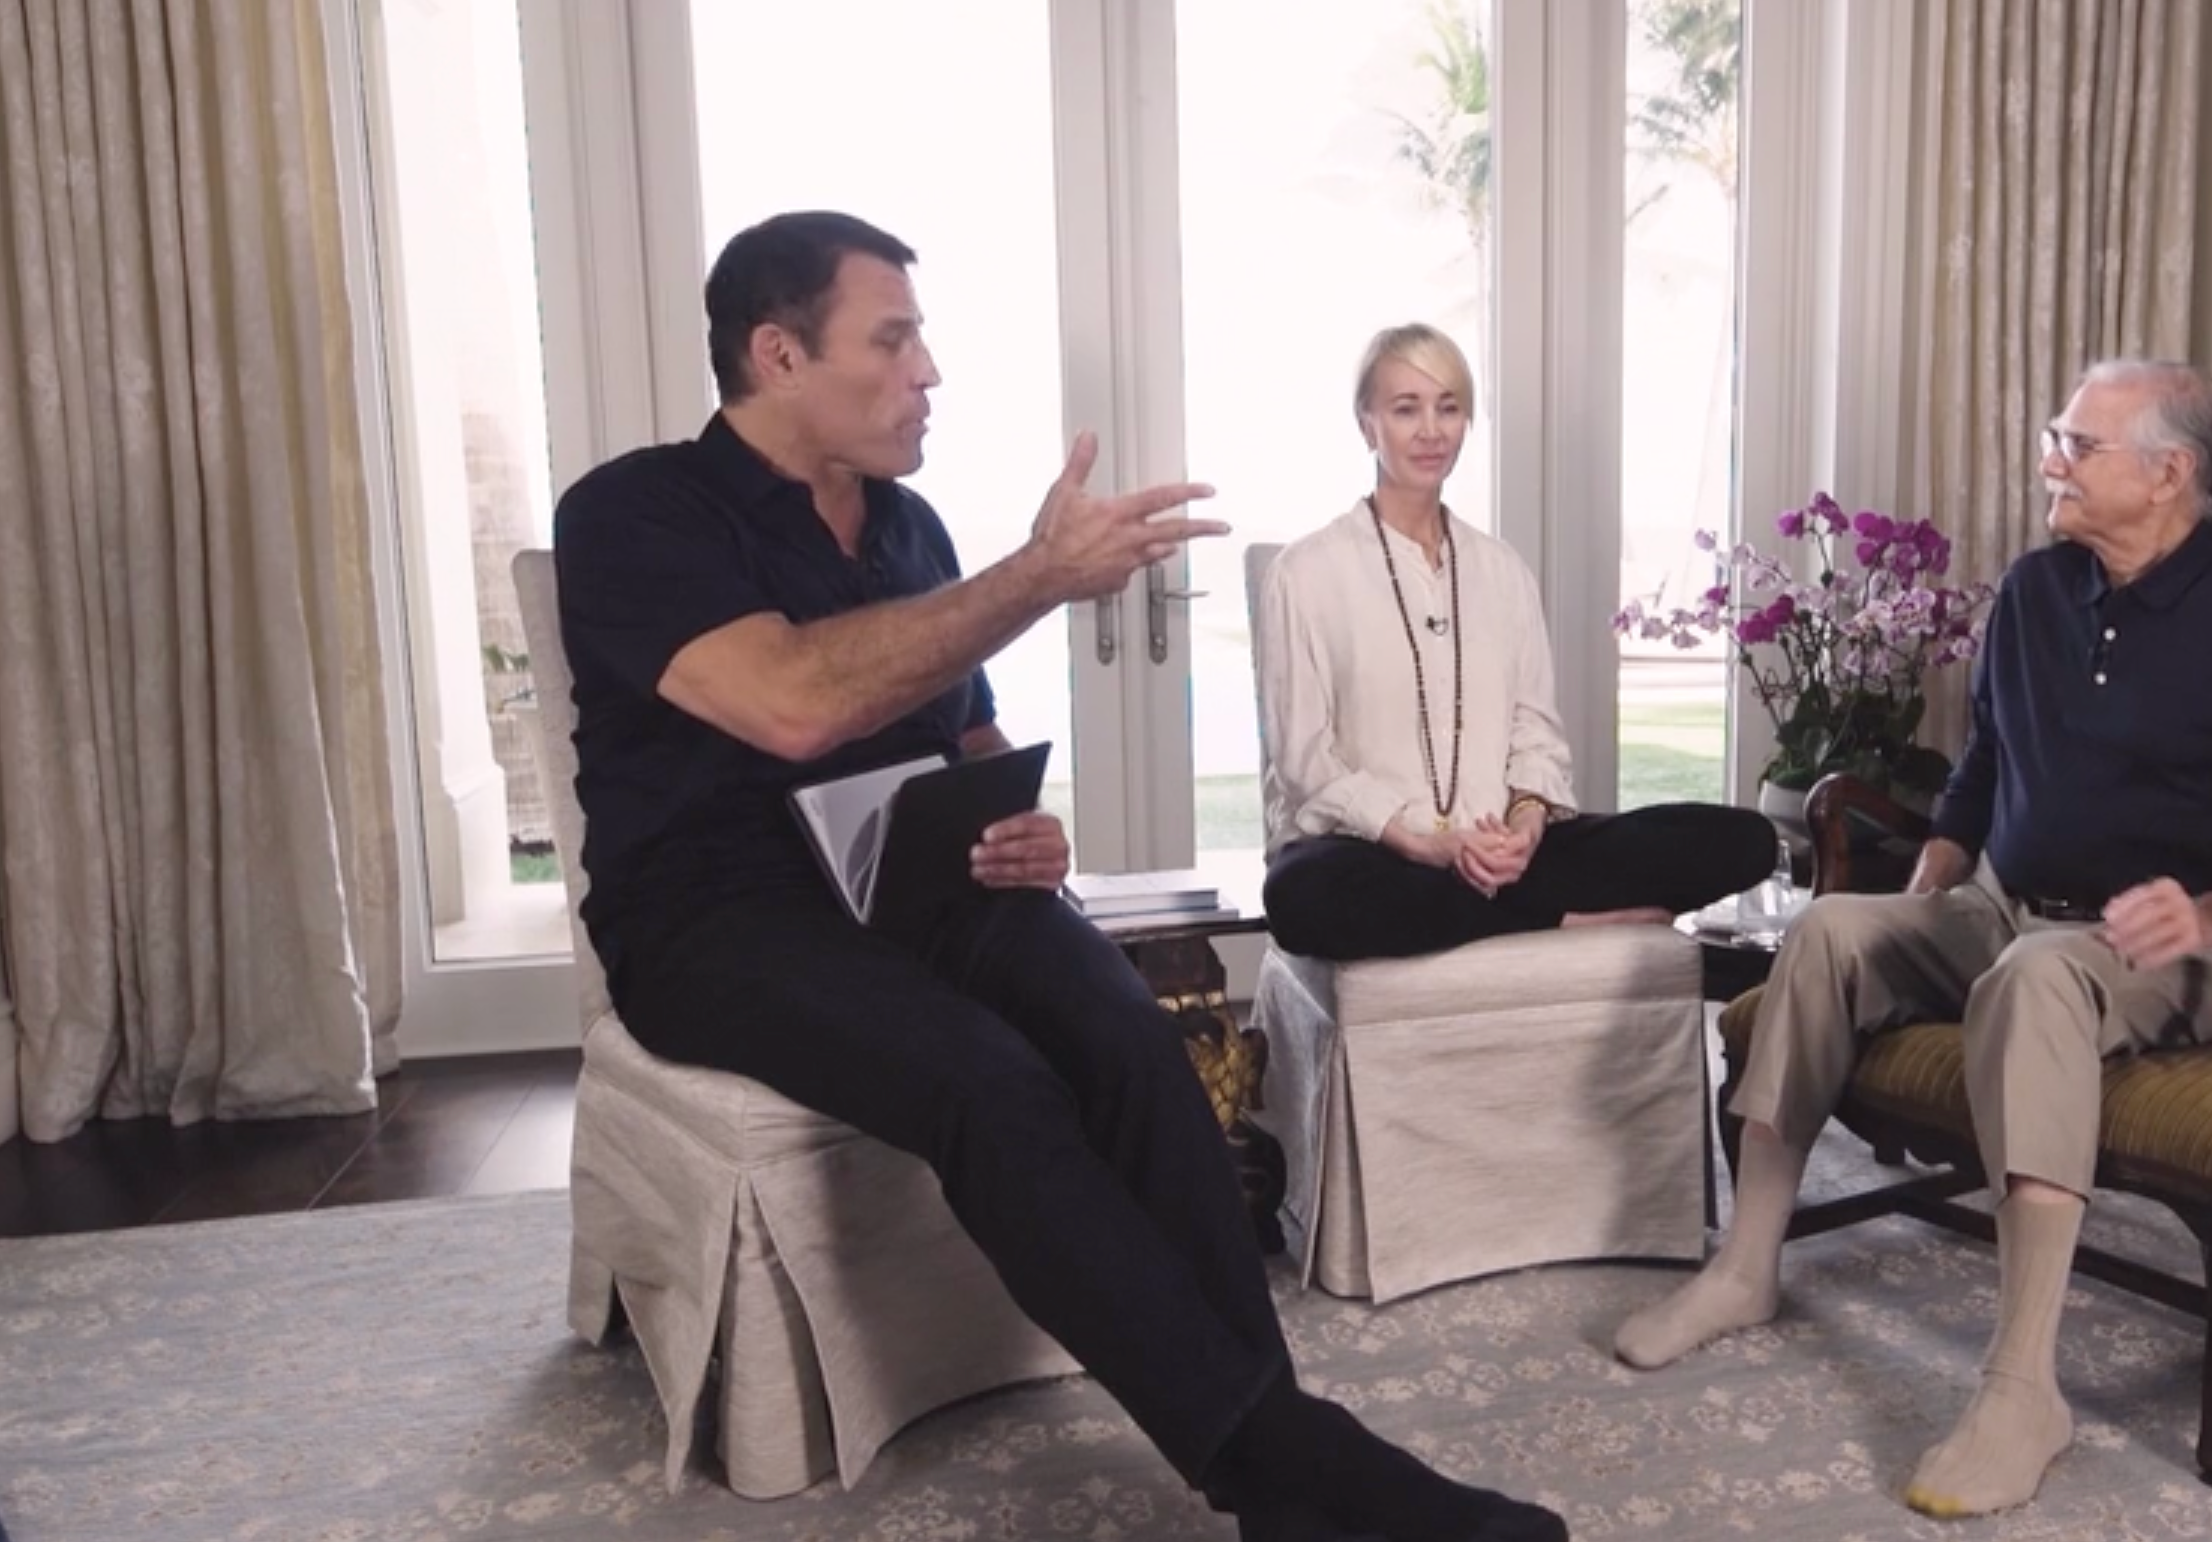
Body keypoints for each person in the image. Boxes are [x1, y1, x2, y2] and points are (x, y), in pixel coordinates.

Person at [553, 211, 1566, 1542]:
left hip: (924, 880)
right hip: (718, 922)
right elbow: (792, 703)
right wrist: (1037, 575)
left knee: (1130, 1048)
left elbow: (959, 729)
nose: (928, 371)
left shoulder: (905, 524)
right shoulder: (632, 511)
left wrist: (1020, 819)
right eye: (894, 338)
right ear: (777, 352)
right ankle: (1289, 1464)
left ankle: (1265, 1430)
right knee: (990, 1082)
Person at [1610, 360, 2212, 1519]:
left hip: (2196, 944)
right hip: (2014, 904)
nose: (2047, 463)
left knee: (2032, 981)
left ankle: (2022, 1390)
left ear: (2171, 474)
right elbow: (1980, 771)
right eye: (2052, 437)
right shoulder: (2033, 591)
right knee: (1828, 934)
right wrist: (1935, 870)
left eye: (2076, 444)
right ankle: (1743, 1267)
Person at [1256, 322, 1777, 962]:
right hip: (1376, 853)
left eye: (1449, 408)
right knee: (1300, 897)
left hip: (1506, 851)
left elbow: (1534, 730)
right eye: (1405, 409)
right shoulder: (1306, 572)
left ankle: (1503, 905)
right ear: (1367, 424)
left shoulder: (1501, 569)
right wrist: (1425, 844)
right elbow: (1305, 760)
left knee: (1745, 839)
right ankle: (1553, 918)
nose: (1430, 430)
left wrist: (1526, 830)